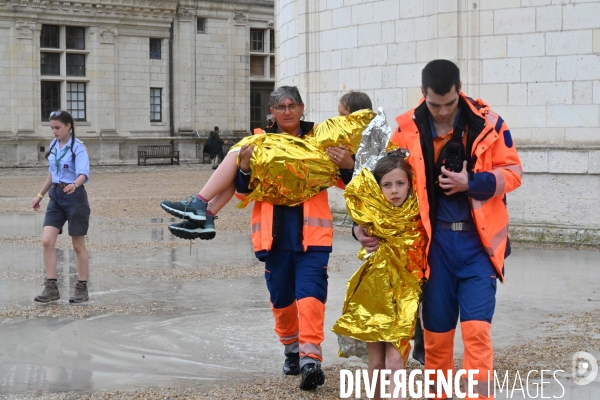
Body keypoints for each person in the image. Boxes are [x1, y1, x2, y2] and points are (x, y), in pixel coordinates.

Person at [354, 59, 522, 399]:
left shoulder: (490, 123)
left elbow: (513, 172)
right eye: (435, 104)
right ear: (422, 94)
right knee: (436, 342)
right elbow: (384, 187)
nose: (443, 112)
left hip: (479, 248)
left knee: (477, 334)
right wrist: (360, 228)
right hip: (433, 249)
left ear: (460, 91)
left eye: (450, 103)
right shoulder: (403, 129)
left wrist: (471, 182)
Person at [160, 90, 372, 240]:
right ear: (273, 111)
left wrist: (348, 166)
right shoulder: (365, 134)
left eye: (342, 114)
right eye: (281, 107)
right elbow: (243, 190)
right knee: (241, 158)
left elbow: (357, 182)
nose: (287, 112)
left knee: (245, 145)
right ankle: (205, 214)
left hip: (310, 222)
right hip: (276, 230)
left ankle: (200, 203)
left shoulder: (337, 129)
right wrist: (244, 168)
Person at [332, 153, 426, 400]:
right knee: (375, 365)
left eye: (400, 183)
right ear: (378, 187)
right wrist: (357, 228)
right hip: (374, 292)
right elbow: (355, 209)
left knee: (396, 361)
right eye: (387, 185)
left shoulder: (420, 213)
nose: (394, 190)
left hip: (407, 292)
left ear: (410, 183)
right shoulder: (370, 213)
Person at [31, 110, 91, 304]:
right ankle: (51, 287)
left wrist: (76, 183)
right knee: (47, 241)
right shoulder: (54, 145)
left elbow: (83, 172)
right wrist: (40, 195)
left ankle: (81, 286)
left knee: (77, 245)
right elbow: (52, 173)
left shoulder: (78, 147)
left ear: (68, 126)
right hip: (56, 197)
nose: (54, 132)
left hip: (75, 197)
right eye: (52, 128)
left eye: (57, 128)